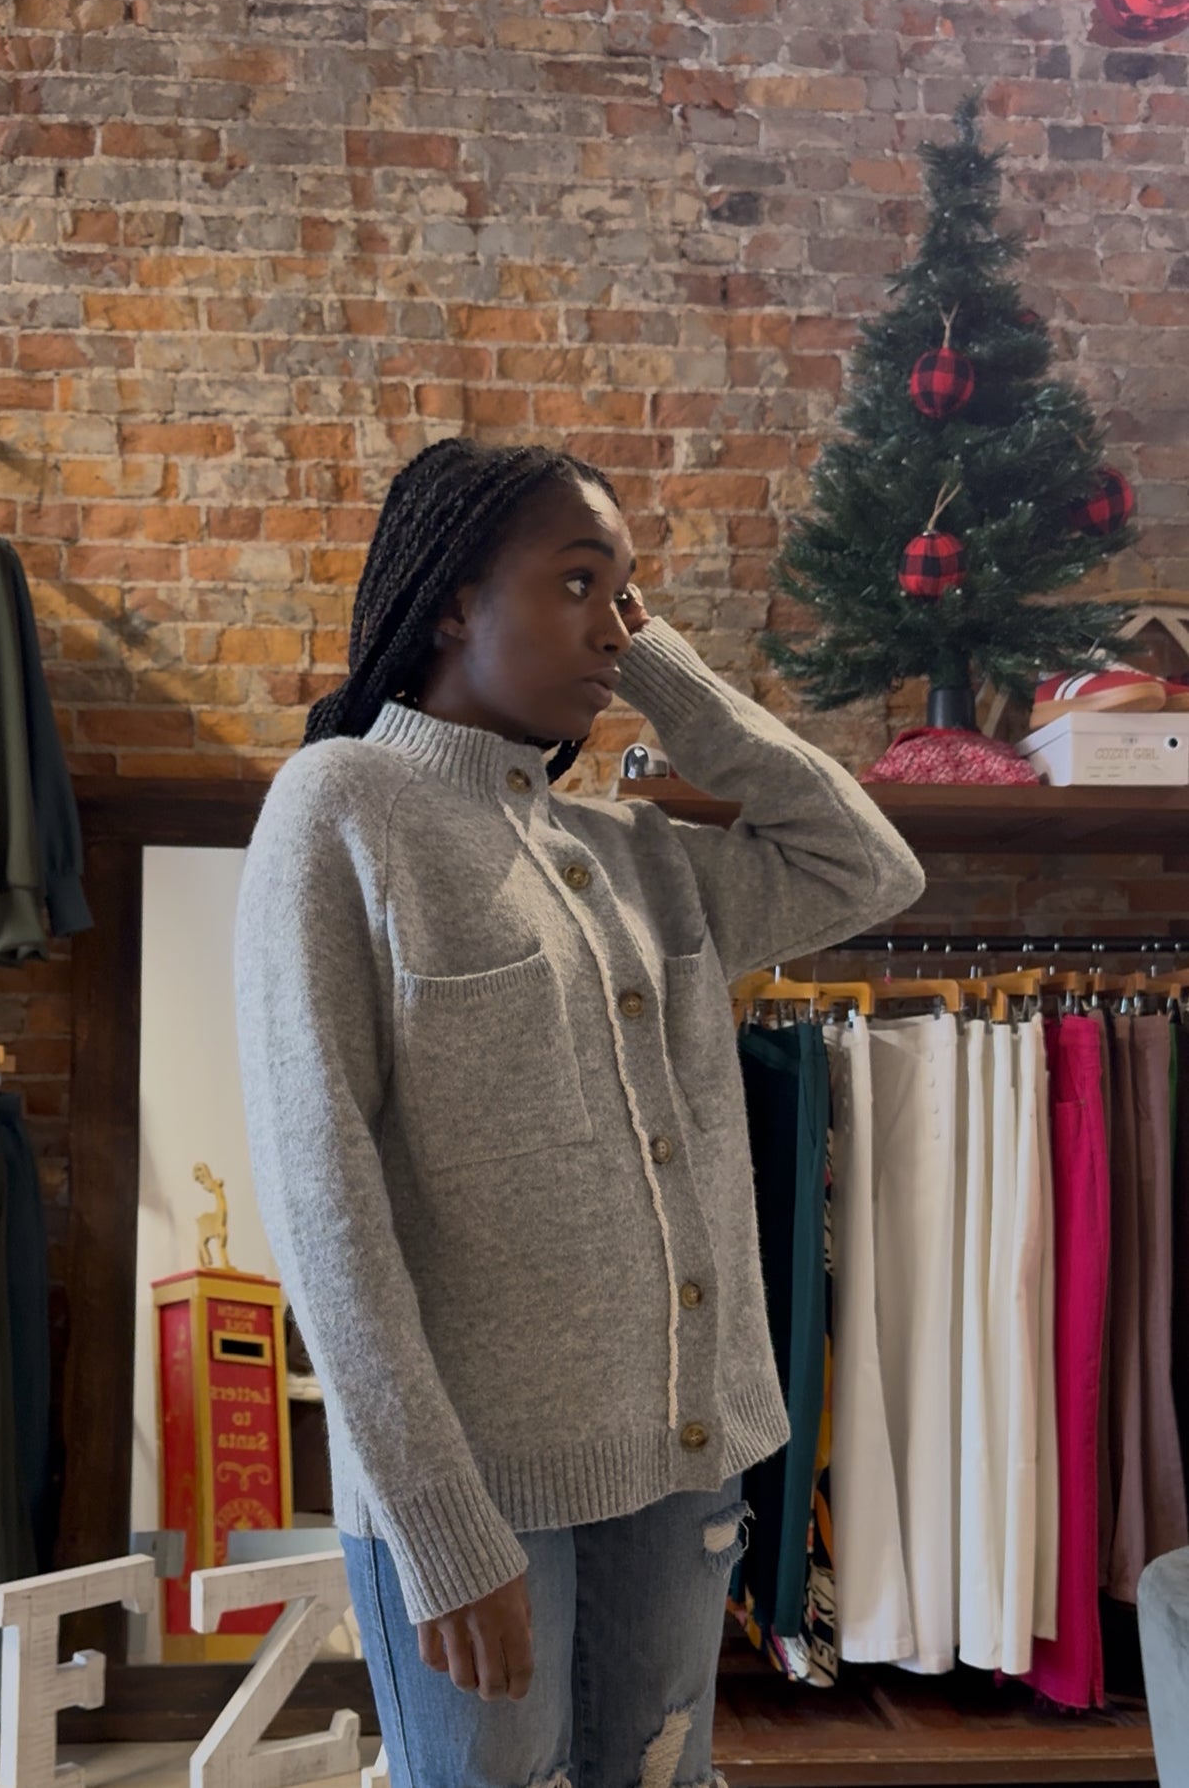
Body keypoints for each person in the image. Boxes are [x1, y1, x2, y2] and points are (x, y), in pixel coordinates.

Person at [234, 439, 925, 1788]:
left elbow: (867, 865)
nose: (613, 626)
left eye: (628, 597)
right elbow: (323, 1198)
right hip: (481, 1495)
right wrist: (437, 1525)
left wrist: (657, 662)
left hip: (682, 1469)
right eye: (576, 584)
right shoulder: (344, 806)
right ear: (452, 600)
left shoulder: (632, 853)